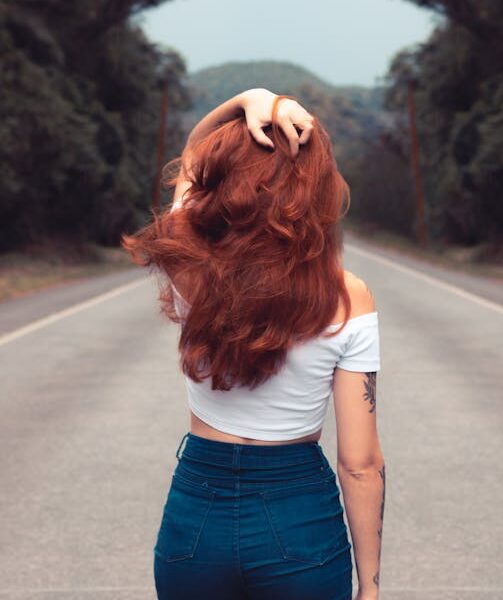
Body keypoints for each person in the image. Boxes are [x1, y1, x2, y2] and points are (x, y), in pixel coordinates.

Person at [123, 88, 385, 600]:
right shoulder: (347, 295)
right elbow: (360, 462)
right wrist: (370, 589)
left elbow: (194, 161)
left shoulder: (189, 264)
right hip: (298, 514)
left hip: (197, 513)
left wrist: (249, 100)